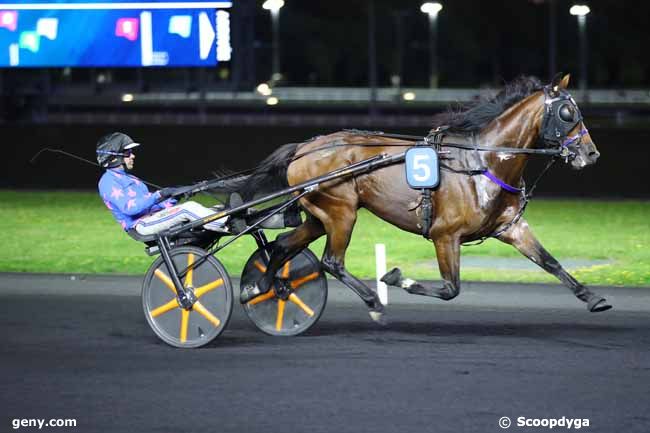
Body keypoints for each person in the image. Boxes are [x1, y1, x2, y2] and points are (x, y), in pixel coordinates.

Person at [97, 132, 228, 236]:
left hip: (152, 218)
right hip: (141, 225)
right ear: (114, 157)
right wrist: (159, 194)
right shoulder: (107, 182)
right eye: (128, 153)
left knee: (212, 209)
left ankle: (232, 216)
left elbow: (155, 206)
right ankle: (226, 225)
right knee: (188, 208)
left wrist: (174, 197)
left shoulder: (131, 179)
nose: (133, 156)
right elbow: (131, 209)